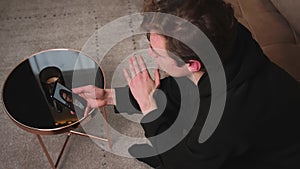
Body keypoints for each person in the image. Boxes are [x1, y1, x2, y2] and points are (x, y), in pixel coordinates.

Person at [73, 0, 300, 168]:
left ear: (192, 64)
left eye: (157, 53)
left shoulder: (224, 119)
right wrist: (111, 96)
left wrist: (150, 109)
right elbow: (188, 89)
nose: (151, 55)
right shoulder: (226, 34)